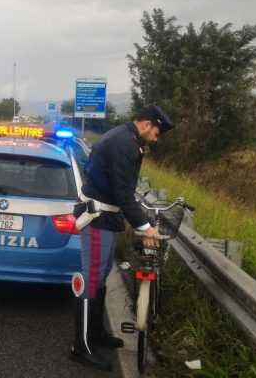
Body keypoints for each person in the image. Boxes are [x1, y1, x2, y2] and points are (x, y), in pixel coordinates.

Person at [70, 106, 174, 371]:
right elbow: (123, 192)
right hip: (97, 218)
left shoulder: (128, 139)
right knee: (91, 280)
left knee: (101, 276)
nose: (157, 137)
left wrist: (141, 222)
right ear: (147, 124)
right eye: (157, 132)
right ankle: (80, 347)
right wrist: (145, 226)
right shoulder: (123, 144)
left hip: (107, 217)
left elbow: (123, 191)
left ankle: (96, 334)